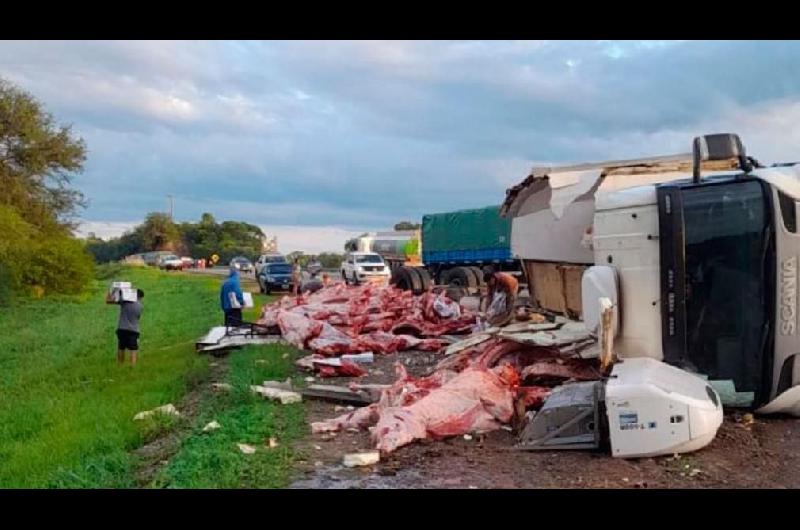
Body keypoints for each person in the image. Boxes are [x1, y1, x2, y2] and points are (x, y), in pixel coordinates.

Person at [109, 289, 144, 366]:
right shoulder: (140, 306)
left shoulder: (125, 302)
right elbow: (137, 317)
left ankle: (120, 364)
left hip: (122, 328)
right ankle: (133, 365)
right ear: (141, 297)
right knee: (133, 349)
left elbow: (110, 301)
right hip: (134, 330)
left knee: (121, 347)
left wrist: (112, 291)